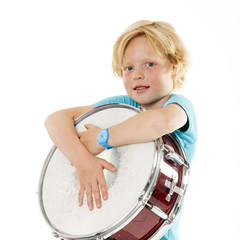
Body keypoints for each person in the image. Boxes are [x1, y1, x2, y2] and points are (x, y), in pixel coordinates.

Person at [45, 20, 197, 240]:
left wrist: (102, 137)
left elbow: (158, 123)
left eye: (150, 64)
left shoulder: (179, 107)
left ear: (175, 67)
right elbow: (55, 119)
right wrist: (83, 161)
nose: (137, 74)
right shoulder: (122, 106)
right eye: (129, 68)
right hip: (109, 230)